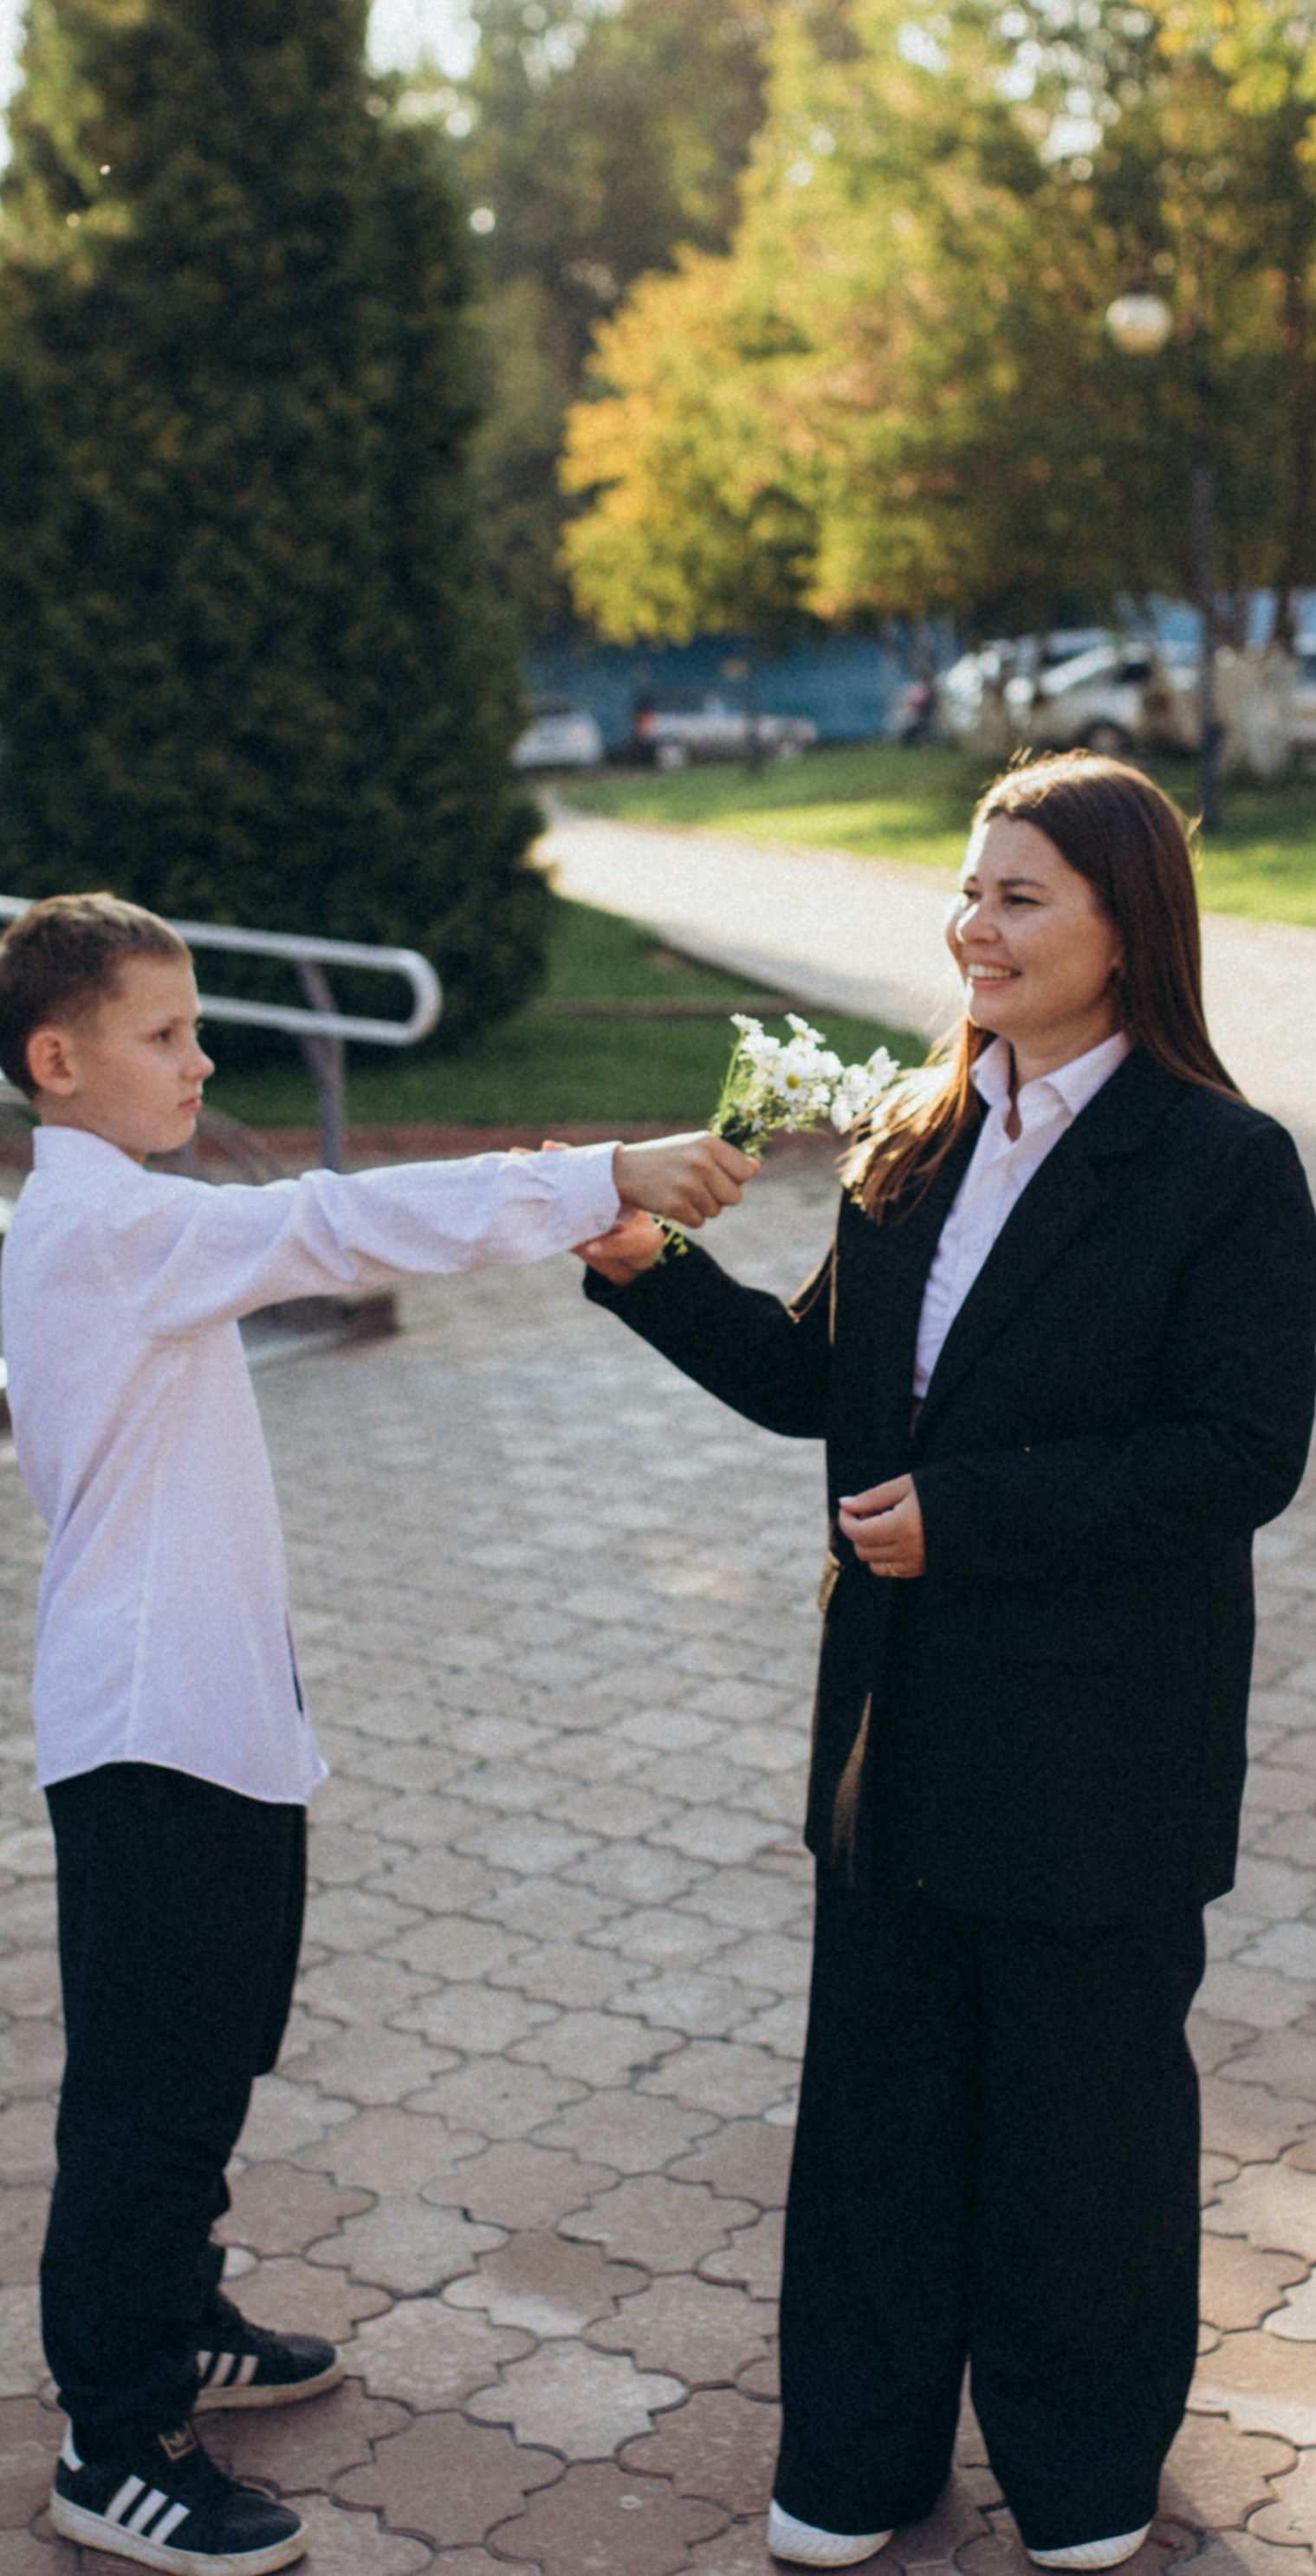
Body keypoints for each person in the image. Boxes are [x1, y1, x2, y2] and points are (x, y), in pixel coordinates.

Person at [578, 754, 1316, 2569]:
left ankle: (1078, 2475)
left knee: (1084, 2128)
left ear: (1121, 926)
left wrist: (977, 1513)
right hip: (898, 1726)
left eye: (1018, 896)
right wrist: (640, 1263)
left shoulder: (1221, 1164)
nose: (969, 926)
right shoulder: (909, 1134)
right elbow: (810, 1390)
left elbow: (1241, 1452)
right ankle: (854, 2454)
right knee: (878, 2114)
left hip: (1098, 1747)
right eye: (967, 887)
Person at [0, 892, 755, 2576]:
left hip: (207, 1717)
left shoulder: (132, 1220)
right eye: (164, 1033)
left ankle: (174, 2317)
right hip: (149, 1732)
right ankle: (116, 2441)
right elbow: (342, 1221)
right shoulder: (104, 1229)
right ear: (57, 1061)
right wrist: (602, 1173)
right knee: (147, 2091)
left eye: (200, 1027)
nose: (201, 1058)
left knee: (207, 2050)